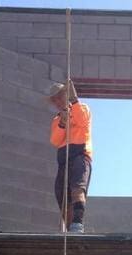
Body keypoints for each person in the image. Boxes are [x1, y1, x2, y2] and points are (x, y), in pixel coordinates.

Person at [48, 81, 92, 234]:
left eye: (59, 97)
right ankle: (70, 227)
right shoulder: (57, 120)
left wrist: (74, 101)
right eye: (55, 100)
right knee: (61, 193)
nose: (57, 102)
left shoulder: (81, 108)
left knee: (77, 188)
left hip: (80, 156)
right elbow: (55, 140)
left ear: (66, 96)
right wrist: (62, 123)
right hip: (64, 159)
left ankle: (78, 224)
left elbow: (83, 122)